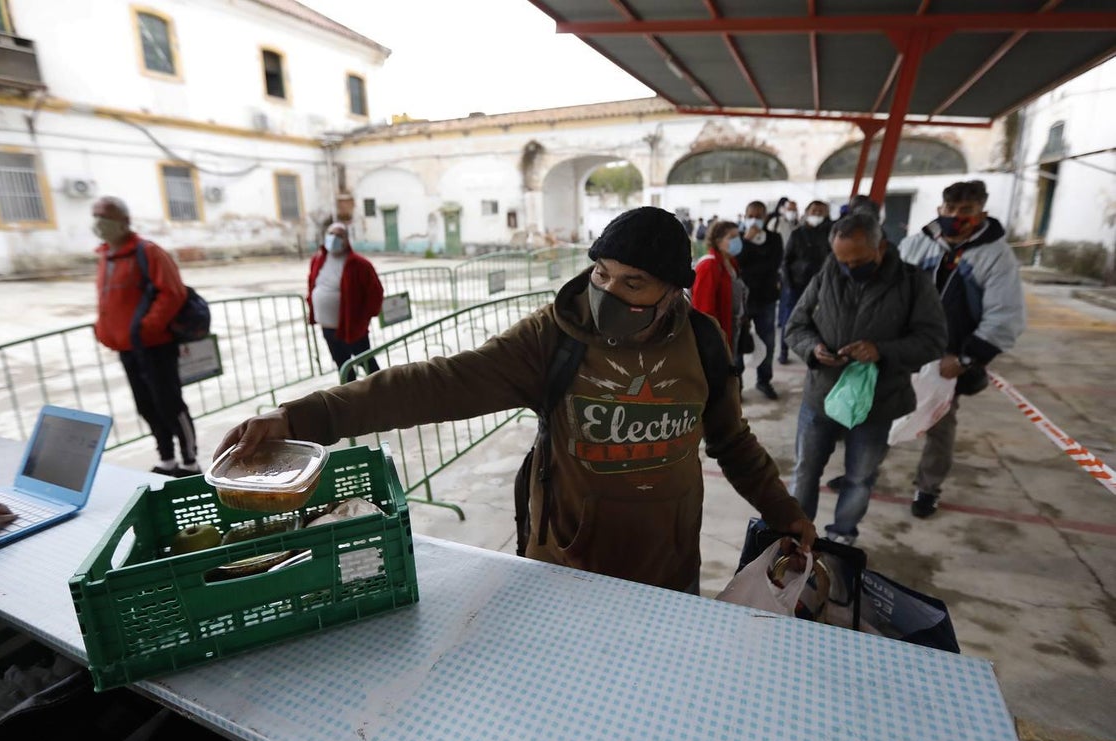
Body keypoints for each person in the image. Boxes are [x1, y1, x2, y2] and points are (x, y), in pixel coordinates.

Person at [218, 206, 817, 593]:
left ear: (672, 291)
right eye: (602, 274)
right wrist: (304, 415)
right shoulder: (553, 336)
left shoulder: (703, 341)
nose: (608, 292)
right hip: (569, 560)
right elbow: (443, 381)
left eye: (633, 283)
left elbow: (732, 441)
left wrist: (785, 512)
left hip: (669, 561)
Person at [784, 211, 947, 545]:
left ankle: (842, 535)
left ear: (881, 247)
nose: (848, 268)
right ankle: (796, 533)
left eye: (857, 261)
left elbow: (933, 341)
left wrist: (882, 351)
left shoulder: (913, 282)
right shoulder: (829, 272)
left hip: (878, 400)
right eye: (841, 260)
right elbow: (795, 326)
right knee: (805, 470)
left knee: (859, 477)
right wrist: (814, 349)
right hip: (823, 395)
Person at [898, 180, 1026, 518]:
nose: (956, 216)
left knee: (940, 424)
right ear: (940, 209)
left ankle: (927, 488)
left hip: (948, 359)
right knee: (878, 414)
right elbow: (890, 290)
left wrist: (967, 357)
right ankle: (860, 474)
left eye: (966, 210)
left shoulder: (995, 256)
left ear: (981, 211)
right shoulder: (916, 245)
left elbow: (1005, 315)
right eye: (950, 210)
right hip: (904, 351)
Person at [93, 196, 199, 477]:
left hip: (156, 346)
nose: (98, 223)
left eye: (105, 216)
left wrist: (145, 328)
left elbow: (172, 293)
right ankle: (166, 458)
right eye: (96, 216)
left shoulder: (148, 253)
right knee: (146, 406)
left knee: (170, 404)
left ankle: (190, 461)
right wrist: (105, 331)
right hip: (128, 349)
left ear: (124, 221)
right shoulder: (106, 256)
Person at [307, 221, 384, 380]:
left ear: (346, 239)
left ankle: (382, 389)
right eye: (331, 234)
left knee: (366, 362)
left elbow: (375, 293)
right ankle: (351, 397)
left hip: (352, 327)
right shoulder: (318, 260)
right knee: (342, 365)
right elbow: (312, 283)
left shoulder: (359, 264)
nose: (334, 238)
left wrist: (362, 318)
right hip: (328, 327)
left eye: (339, 235)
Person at [736, 201, 785, 400]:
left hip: (766, 299)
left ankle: (764, 381)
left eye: (759, 215)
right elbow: (737, 265)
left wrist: (750, 268)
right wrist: (747, 242)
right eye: (751, 215)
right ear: (745, 216)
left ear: (765, 218)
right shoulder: (738, 239)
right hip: (743, 300)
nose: (754, 219)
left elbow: (772, 265)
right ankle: (736, 385)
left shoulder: (774, 239)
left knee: (768, 342)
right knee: (738, 342)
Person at [778, 201, 832, 365]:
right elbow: (786, 260)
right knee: (791, 318)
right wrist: (788, 284)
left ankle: (816, 350)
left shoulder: (829, 234)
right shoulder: (797, 234)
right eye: (814, 211)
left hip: (821, 285)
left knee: (820, 320)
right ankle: (784, 351)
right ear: (807, 212)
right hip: (797, 284)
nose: (817, 214)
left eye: (821, 212)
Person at [691, 220, 749, 356]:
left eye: (738, 236)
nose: (737, 241)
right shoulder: (709, 266)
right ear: (718, 241)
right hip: (716, 337)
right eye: (731, 237)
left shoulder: (731, 262)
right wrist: (714, 341)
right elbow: (704, 310)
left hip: (732, 327)